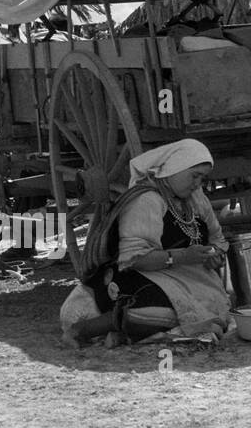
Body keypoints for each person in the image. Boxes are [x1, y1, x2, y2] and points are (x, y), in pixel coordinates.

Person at [62, 140, 231, 346]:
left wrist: (215, 256)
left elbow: (218, 240)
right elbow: (136, 259)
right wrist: (184, 256)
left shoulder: (197, 199)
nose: (198, 183)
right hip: (138, 276)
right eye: (194, 176)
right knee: (161, 311)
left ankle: (127, 334)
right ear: (172, 170)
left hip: (189, 279)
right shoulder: (147, 201)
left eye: (202, 178)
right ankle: (82, 329)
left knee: (213, 308)